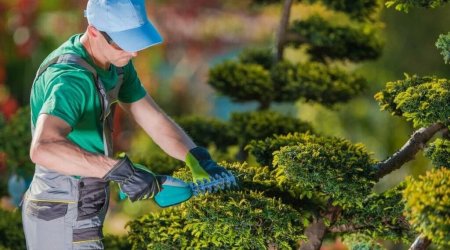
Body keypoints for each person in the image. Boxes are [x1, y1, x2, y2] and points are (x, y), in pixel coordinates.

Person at [22, 0, 234, 249]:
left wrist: (196, 156)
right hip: (60, 208)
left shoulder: (114, 63)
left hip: (86, 197)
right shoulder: (70, 81)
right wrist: (122, 172)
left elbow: (152, 119)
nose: (133, 52)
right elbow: (43, 148)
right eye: (124, 42)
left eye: (136, 41)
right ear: (93, 32)